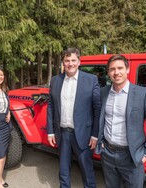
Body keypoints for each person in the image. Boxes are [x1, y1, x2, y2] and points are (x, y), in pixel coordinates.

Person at [95, 54, 146, 188]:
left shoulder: (143, 94)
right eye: (112, 69)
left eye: (120, 68)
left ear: (128, 69)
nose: (116, 72)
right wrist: (100, 141)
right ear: (108, 72)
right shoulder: (103, 92)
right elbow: (99, 118)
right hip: (107, 153)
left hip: (131, 156)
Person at [47, 47, 101, 188]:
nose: (70, 63)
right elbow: (51, 107)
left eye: (73, 60)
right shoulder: (55, 80)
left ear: (79, 62)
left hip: (83, 134)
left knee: (87, 170)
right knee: (63, 170)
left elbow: (97, 109)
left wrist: (95, 135)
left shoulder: (91, 80)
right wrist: (50, 131)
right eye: (67, 60)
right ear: (63, 63)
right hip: (63, 133)